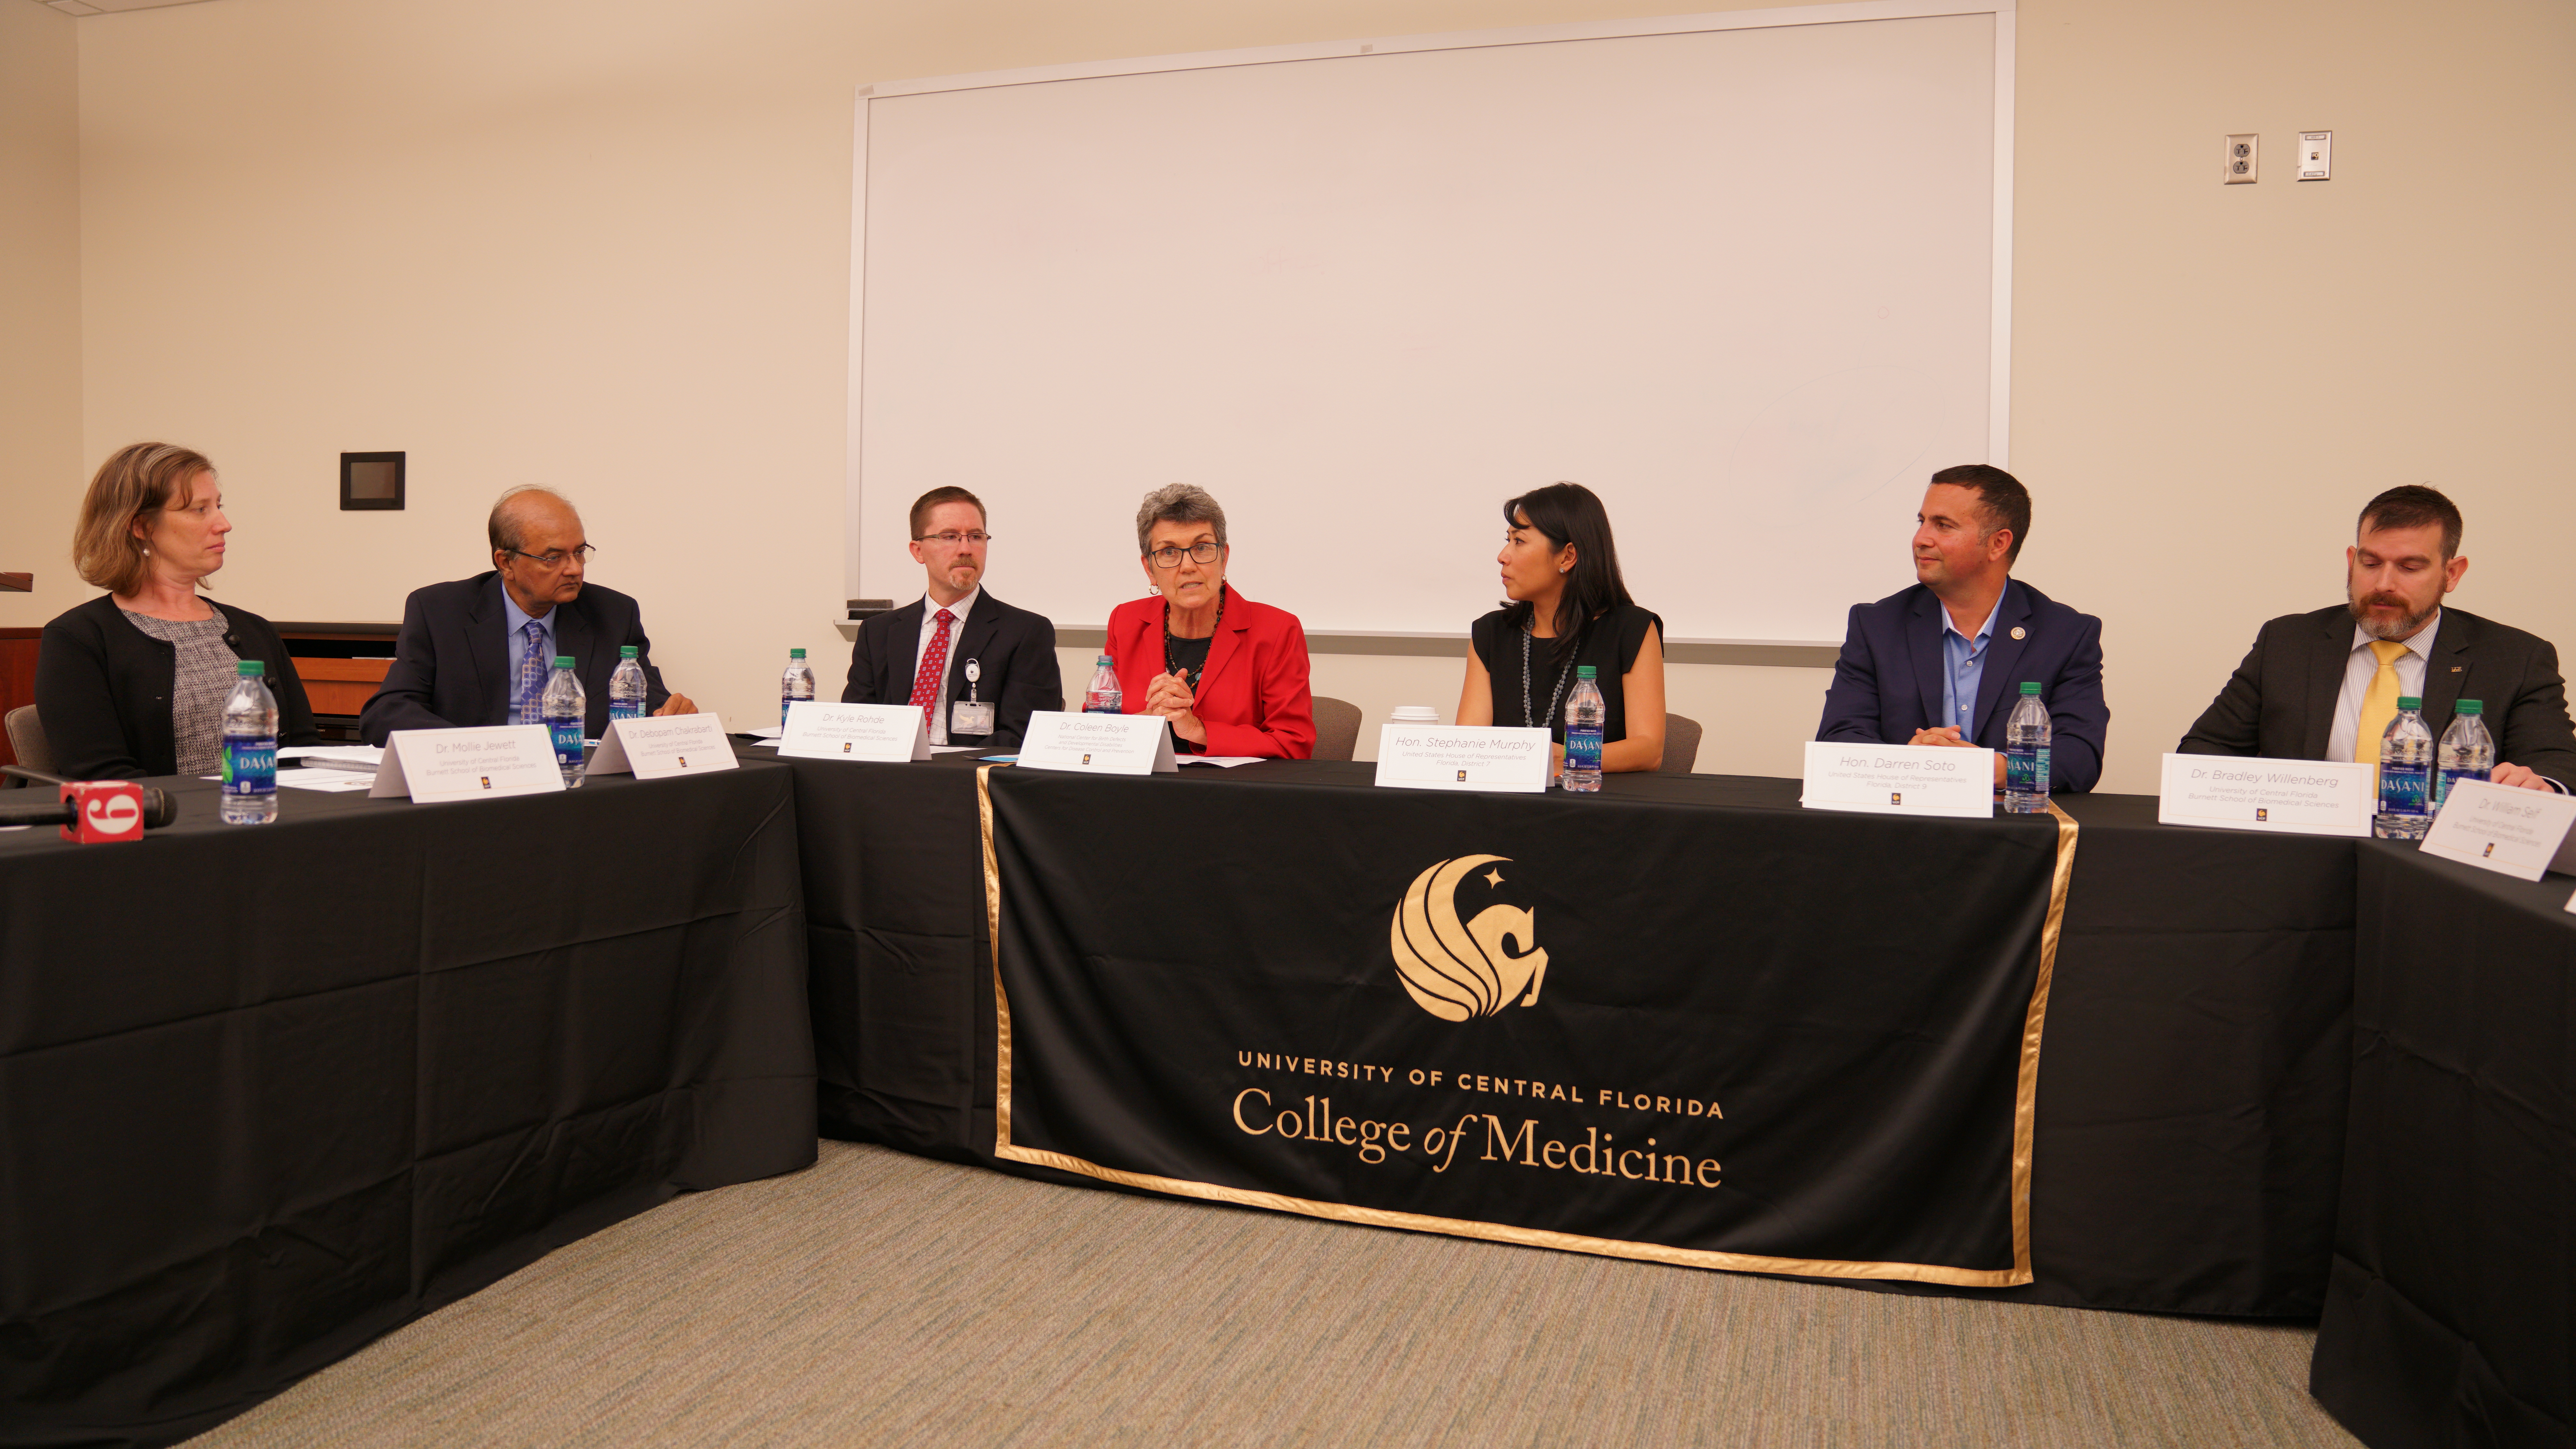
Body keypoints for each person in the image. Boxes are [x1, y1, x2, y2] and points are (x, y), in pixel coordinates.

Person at [2179, 484, 2576, 792]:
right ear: (2351, 561)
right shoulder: (2287, 641)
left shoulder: (2515, 658)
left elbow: (2555, 765)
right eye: (2370, 564)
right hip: (2299, 857)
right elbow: (2204, 751)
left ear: (2451, 573)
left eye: (2409, 567)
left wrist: (2538, 785)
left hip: (2440, 869)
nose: (2383, 584)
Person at [1815, 464, 2109, 792]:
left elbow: (2080, 757)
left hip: (2008, 834)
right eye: (1921, 521)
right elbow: (1838, 738)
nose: (1920, 539)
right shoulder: (1876, 625)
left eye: (1943, 525)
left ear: (1998, 544)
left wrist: (1995, 768)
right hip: (1901, 825)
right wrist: (1906, 763)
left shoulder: (2065, 634)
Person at [36, 443, 321, 780]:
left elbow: (303, 750)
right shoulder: (78, 639)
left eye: (218, 506)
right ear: (140, 526)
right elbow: (104, 777)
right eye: (200, 509)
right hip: (163, 827)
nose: (224, 524)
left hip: (266, 818)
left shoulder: (256, 630)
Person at [360, 486, 696, 744]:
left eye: (580, 552)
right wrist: (477, 748)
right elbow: (386, 713)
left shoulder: (613, 614)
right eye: (554, 557)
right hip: (481, 785)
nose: (575, 569)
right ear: (506, 562)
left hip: (576, 785)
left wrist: (670, 713)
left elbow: (646, 702)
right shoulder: (439, 611)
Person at [1455, 482, 1667, 773]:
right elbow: (1469, 745)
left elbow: (1649, 750)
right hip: (1504, 807)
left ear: (1568, 557)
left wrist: (1567, 757)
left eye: (1519, 541)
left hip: (1597, 807)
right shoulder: (1491, 633)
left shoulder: (1632, 630)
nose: (1503, 556)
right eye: (1508, 540)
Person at [1103, 484, 1315, 758]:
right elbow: (1097, 727)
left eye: (1202, 548)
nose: (1188, 566)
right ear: (1149, 569)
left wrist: (1196, 729)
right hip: (1139, 791)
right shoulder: (1126, 622)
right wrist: (1152, 718)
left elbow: (1294, 744)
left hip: (1232, 794)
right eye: (1169, 552)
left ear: (1224, 558)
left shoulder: (1277, 630)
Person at [842, 486, 1062, 748]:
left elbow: (1023, 735)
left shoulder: (1026, 632)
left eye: (976, 537)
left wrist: (945, 769)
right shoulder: (877, 632)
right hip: (890, 774)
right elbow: (858, 723)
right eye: (950, 537)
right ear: (918, 551)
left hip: (968, 779)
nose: (966, 549)